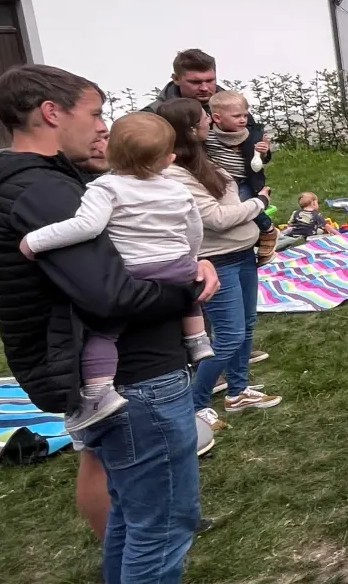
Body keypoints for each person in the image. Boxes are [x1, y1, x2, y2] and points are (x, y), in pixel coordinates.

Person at [0, 63, 252, 584]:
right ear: (51, 113)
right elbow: (110, 293)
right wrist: (188, 287)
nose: (103, 127)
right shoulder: (43, 192)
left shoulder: (48, 184)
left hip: (125, 371)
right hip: (136, 374)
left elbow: (125, 259)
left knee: (135, 513)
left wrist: (187, 260)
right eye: (94, 113)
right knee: (163, 518)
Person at [19, 111, 211, 430]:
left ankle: (99, 392)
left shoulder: (105, 187)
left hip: (136, 268)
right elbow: (194, 228)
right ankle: (197, 339)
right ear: (169, 159)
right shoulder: (177, 189)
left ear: (109, 151)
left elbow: (87, 226)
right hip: (178, 263)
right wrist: (192, 258)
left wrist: (35, 240)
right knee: (188, 297)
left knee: (104, 332)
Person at [157, 98, 283, 431]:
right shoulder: (175, 174)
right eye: (204, 119)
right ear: (190, 128)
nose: (210, 123)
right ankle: (195, 405)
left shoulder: (203, 157)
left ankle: (238, 392)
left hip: (241, 253)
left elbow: (243, 152)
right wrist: (259, 203)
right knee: (228, 335)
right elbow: (215, 218)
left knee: (246, 326)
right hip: (216, 260)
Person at [205, 91, 277, 260]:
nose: (243, 120)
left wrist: (264, 151)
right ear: (217, 118)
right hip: (219, 180)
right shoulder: (208, 135)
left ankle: (268, 230)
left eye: (245, 115)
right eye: (237, 116)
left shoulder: (251, 134)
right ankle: (246, 238)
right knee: (226, 210)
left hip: (244, 179)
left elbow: (260, 161)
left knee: (244, 204)